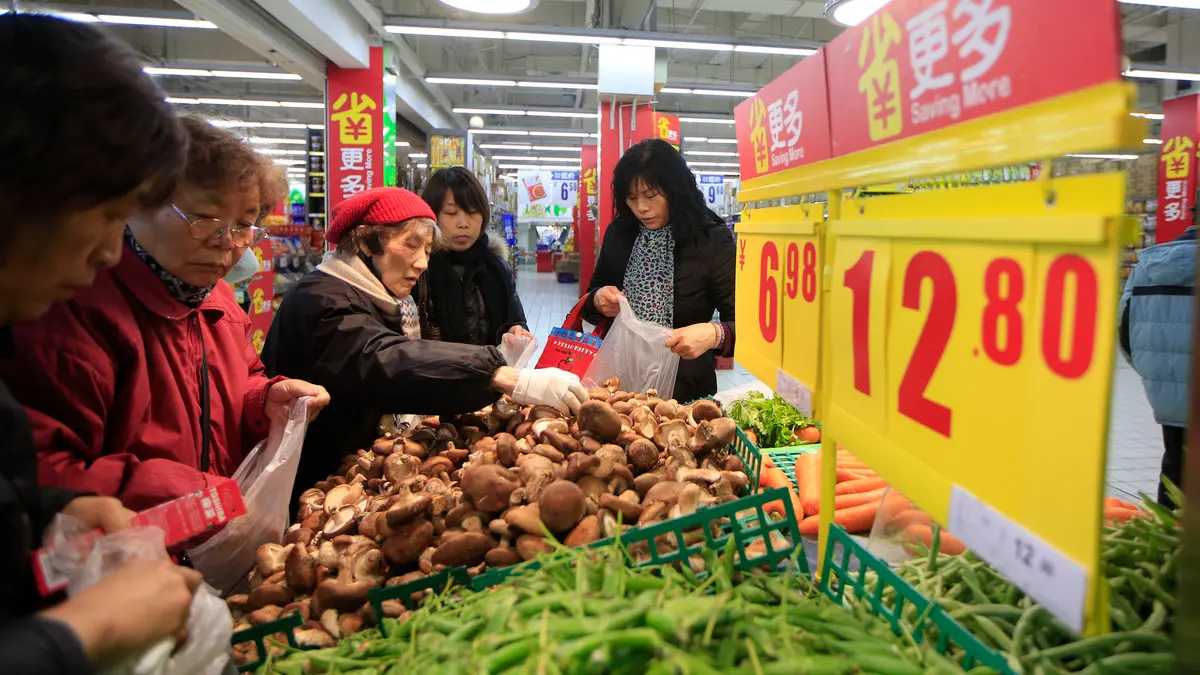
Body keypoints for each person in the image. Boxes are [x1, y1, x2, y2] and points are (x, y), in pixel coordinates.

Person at [0, 13, 203, 674]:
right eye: (111, 215)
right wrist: (83, 631)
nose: (111, 253)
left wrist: (51, 511)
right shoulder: (71, 324)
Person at [0, 117, 331, 514]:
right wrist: (195, 494)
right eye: (205, 219)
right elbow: (42, 470)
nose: (228, 243)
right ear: (135, 207)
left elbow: (235, 383)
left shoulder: (218, 300)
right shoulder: (69, 309)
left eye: (244, 225)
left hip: (204, 531)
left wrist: (263, 401)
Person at [263, 187, 588, 509]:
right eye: (411, 244)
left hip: (350, 469)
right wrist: (501, 374)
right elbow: (382, 358)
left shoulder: (379, 296)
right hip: (309, 485)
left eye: (428, 250)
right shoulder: (322, 299)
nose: (421, 262)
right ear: (365, 242)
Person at [581, 138, 736, 402]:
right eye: (632, 198)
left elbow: (743, 324)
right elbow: (590, 300)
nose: (641, 207)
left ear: (676, 190)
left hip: (684, 391)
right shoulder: (620, 232)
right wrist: (597, 300)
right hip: (617, 386)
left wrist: (714, 334)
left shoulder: (710, 238)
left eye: (651, 195)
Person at [1119, 197, 1197, 509]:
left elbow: (1125, 329)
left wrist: (1154, 373)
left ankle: (1168, 533)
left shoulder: (1149, 264)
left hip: (1166, 393)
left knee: (1175, 468)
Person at [417, 166, 531, 346]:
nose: (463, 223)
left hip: (494, 364)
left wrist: (517, 331)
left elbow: (515, 319)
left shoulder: (496, 267)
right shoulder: (417, 269)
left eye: (472, 212)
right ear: (433, 214)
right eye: (451, 213)